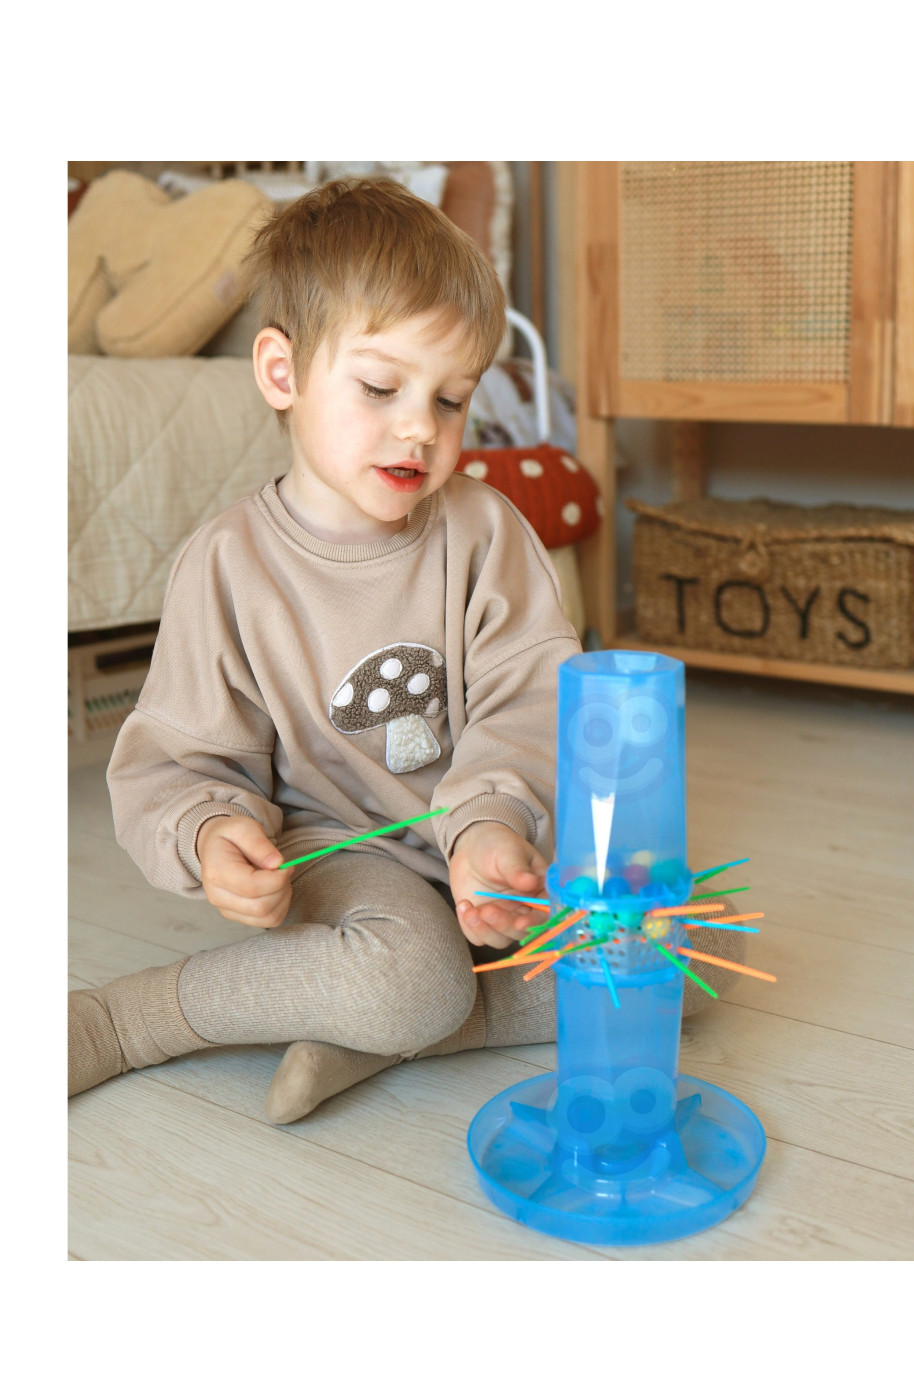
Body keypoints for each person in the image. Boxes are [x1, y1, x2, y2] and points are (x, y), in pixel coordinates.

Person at [68, 177, 724, 1126]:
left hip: (488, 843)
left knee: (691, 946)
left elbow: (532, 698)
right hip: (337, 850)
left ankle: (371, 1028)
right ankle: (131, 1022)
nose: (422, 427)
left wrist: (491, 828)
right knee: (413, 977)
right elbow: (177, 758)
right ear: (282, 373)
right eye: (382, 388)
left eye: (451, 400)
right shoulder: (226, 563)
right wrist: (207, 831)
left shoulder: (486, 530)